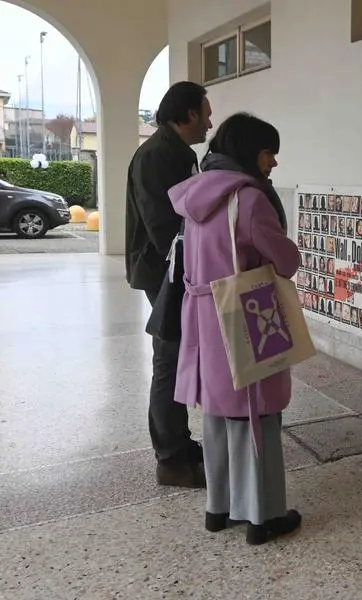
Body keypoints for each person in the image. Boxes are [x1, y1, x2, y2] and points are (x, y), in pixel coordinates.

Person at [168, 113, 301, 545]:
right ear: (251, 152)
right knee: (257, 413)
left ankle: (218, 508)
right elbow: (284, 261)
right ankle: (262, 517)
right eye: (269, 153)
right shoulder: (249, 199)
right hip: (247, 313)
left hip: (204, 316)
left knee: (218, 413)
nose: (273, 164)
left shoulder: (193, 196)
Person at [125, 82, 212, 488]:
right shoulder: (159, 155)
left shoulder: (176, 153)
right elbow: (164, 226)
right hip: (165, 272)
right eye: (205, 113)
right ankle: (171, 458)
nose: (209, 121)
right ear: (189, 114)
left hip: (173, 269)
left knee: (174, 357)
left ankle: (178, 441)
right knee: (170, 358)